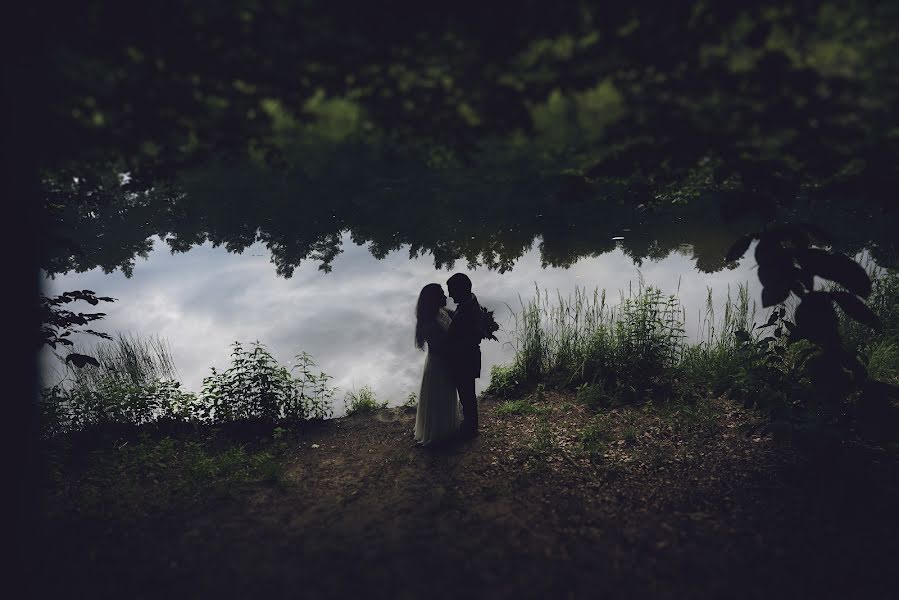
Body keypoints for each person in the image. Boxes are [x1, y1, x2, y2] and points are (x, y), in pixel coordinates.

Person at [413, 283, 462, 446]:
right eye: (441, 294)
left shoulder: (442, 311)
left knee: (446, 395)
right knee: (439, 396)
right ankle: (438, 433)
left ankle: (447, 429)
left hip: (446, 361)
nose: (445, 296)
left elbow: (459, 317)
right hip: (439, 364)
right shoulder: (429, 321)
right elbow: (439, 346)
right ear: (433, 298)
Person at [446, 273, 484, 439]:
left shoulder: (467, 311)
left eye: (451, 290)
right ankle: (470, 425)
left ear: (460, 290)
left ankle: (470, 428)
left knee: (467, 395)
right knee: (467, 394)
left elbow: (459, 335)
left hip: (465, 360)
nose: (450, 295)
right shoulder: (469, 303)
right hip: (469, 358)